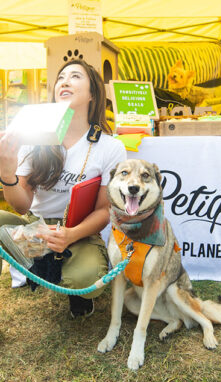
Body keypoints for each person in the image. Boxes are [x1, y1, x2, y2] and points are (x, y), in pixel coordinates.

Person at [0, 59, 127, 317]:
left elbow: (104, 211)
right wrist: (6, 173)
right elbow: (22, 205)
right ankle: (36, 262)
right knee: (20, 233)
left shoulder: (110, 147)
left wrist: (70, 235)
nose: (65, 81)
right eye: (61, 77)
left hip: (78, 232)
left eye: (76, 76)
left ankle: (49, 270)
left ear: (93, 94)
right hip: (34, 228)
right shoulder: (33, 138)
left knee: (88, 281)